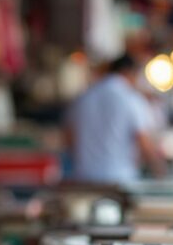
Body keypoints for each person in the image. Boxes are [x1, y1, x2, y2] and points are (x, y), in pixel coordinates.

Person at [64, 54, 165, 184]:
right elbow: (144, 143)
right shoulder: (131, 99)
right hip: (120, 180)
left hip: (85, 178)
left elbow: (68, 137)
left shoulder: (84, 98)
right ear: (128, 72)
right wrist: (160, 171)